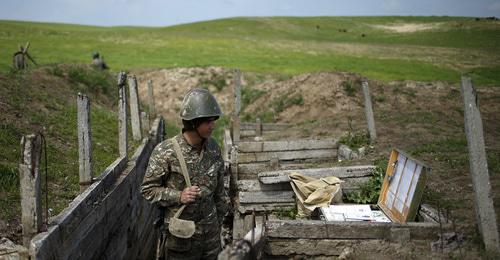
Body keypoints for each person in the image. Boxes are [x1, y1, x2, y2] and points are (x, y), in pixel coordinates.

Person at [141, 88, 230, 260]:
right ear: (193, 123)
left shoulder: (213, 148)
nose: (213, 126)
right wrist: (178, 196)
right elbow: (148, 190)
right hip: (181, 239)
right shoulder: (165, 151)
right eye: (208, 122)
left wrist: (218, 222)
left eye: (214, 120)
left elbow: (219, 193)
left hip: (210, 239)